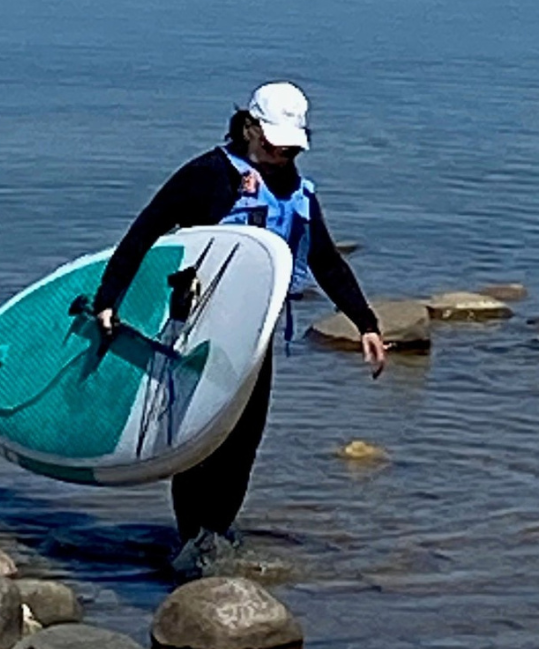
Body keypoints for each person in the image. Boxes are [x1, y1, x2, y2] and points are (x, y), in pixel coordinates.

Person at [92, 81, 386, 563]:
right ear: (249, 128)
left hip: (255, 338)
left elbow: (326, 261)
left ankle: (217, 535)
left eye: (290, 147)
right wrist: (110, 298)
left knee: (243, 442)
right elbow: (145, 231)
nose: (281, 154)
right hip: (197, 333)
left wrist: (366, 322)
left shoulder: (298, 191)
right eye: (272, 143)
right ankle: (191, 542)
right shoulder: (208, 176)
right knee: (199, 440)